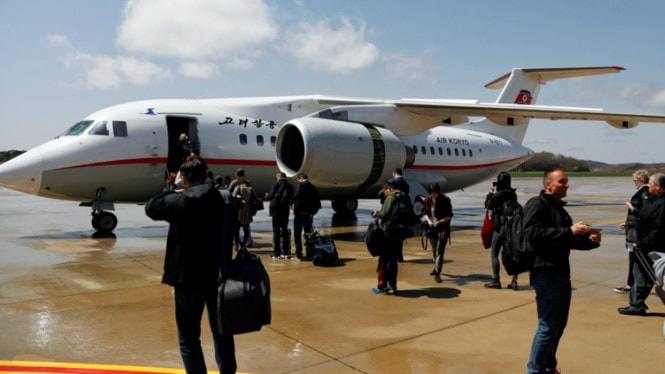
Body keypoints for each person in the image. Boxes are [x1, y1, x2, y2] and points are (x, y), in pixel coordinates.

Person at [144, 155, 237, 374]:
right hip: (219, 275)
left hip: (188, 280)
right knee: (222, 333)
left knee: (189, 338)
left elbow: (151, 207)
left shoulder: (180, 201)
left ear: (184, 179)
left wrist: (171, 188)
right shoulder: (222, 199)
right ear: (206, 175)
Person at [523, 168, 601, 374]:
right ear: (548, 184)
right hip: (545, 273)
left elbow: (568, 240)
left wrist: (590, 241)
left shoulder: (559, 209)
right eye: (562, 181)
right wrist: (569, 231)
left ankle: (548, 366)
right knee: (547, 327)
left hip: (561, 274)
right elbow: (531, 234)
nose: (567, 185)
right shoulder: (536, 204)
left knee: (558, 327)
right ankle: (535, 370)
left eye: (567, 181)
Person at [618, 173, 665, 316]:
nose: (647, 186)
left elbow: (658, 228)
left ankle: (637, 305)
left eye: (650, 184)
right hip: (643, 244)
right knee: (640, 274)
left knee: (646, 276)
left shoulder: (662, 203)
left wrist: (642, 243)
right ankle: (636, 304)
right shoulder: (652, 199)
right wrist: (629, 225)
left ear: (658, 187)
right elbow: (643, 217)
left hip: (652, 247)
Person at [615, 170, 650, 293]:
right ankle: (631, 284)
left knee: (636, 260)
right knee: (634, 259)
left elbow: (644, 213)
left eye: (635, 180)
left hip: (636, 233)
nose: (634, 183)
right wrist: (628, 223)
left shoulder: (645, 192)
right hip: (634, 229)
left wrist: (631, 207)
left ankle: (632, 285)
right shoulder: (644, 191)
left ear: (641, 180)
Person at [484, 171, 519, 290]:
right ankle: (514, 281)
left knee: (494, 253)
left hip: (500, 227)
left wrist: (490, 192)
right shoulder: (513, 194)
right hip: (512, 228)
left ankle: (496, 280)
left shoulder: (497, 195)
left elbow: (487, 205)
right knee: (512, 253)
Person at [371, 182, 408, 293]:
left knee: (383, 260)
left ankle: (382, 286)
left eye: (384, 192)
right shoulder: (404, 197)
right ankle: (393, 284)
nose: (385, 195)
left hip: (389, 234)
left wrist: (376, 213)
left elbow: (385, 214)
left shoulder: (390, 198)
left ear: (388, 188)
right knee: (393, 260)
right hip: (400, 233)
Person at [422, 183, 453, 283]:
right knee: (434, 250)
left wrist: (438, 222)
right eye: (432, 193)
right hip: (432, 229)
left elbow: (449, 216)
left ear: (438, 192)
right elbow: (425, 214)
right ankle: (436, 267)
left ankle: (438, 272)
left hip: (443, 228)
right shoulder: (428, 200)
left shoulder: (445, 200)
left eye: (435, 193)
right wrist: (430, 222)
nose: (433, 195)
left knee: (440, 251)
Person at [291, 173, 321, 260]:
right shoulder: (313, 187)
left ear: (300, 179)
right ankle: (310, 254)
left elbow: (297, 194)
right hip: (308, 216)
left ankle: (298, 255)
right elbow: (318, 203)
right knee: (309, 235)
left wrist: (290, 201)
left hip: (300, 214)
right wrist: (312, 213)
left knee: (297, 235)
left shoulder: (301, 185)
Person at [265, 172, 294, 259]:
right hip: (285, 210)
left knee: (276, 230)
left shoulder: (276, 184)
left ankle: (277, 253)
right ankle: (285, 252)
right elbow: (292, 198)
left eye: (276, 177)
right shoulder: (290, 186)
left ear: (279, 177)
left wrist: (267, 195)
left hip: (276, 210)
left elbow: (270, 196)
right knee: (284, 230)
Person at [232, 177, 255, 248]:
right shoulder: (251, 189)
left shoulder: (238, 188)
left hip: (239, 211)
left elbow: (233, 197)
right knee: (246, 228)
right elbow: (254, 200)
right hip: (247, 212)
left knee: (237, 229)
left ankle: (236, 244)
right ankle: (244, 244)